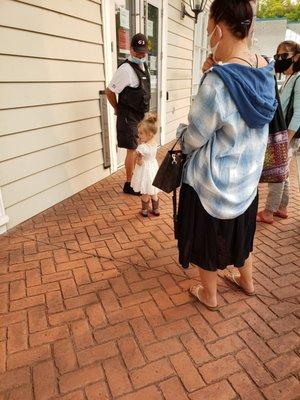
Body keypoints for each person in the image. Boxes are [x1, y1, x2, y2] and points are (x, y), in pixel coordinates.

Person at [176, 0, 277, 311]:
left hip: (213, 182)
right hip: (247, 181)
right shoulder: (265, 69)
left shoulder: (218, 82)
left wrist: (181, 136)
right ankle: (246, 281)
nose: (209, 37)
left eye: (208, 30)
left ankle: (210, 294)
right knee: (242, 235)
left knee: (207, 241)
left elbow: (194, 136)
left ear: (218, 30)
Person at [257, 40, 300, 224]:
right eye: (277, 56)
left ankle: (269, 211)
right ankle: (282, 207)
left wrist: (285, 139)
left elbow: (299, 112)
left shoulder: (299, 78)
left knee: (276, 173)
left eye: (284, 55)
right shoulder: (289, 77)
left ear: (296, 57)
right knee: (283, 172)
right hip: (283, 134)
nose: (279, 59)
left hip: (287, 135)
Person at [106, 33, 151, 195]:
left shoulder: (143, 66)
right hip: (128, 116)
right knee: (132, 149)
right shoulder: (125, 70)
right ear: (131, 49)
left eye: (143, 51)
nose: (141, 54)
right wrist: (117, 109)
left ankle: (136, 179)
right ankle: (129, 184)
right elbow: (109, 92)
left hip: (139, 115)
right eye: (138, 51)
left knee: (139, 147)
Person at [131, 114, 160, 217]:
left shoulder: (142, 147)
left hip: (145, 170)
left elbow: (139, 162)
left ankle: (144, 211)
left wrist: (138, 155)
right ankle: (156, 209)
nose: (139, 135)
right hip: (153, 167)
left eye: (141, 133)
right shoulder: (154, 143)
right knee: (153, 191)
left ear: (150, 134)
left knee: (145, 191)